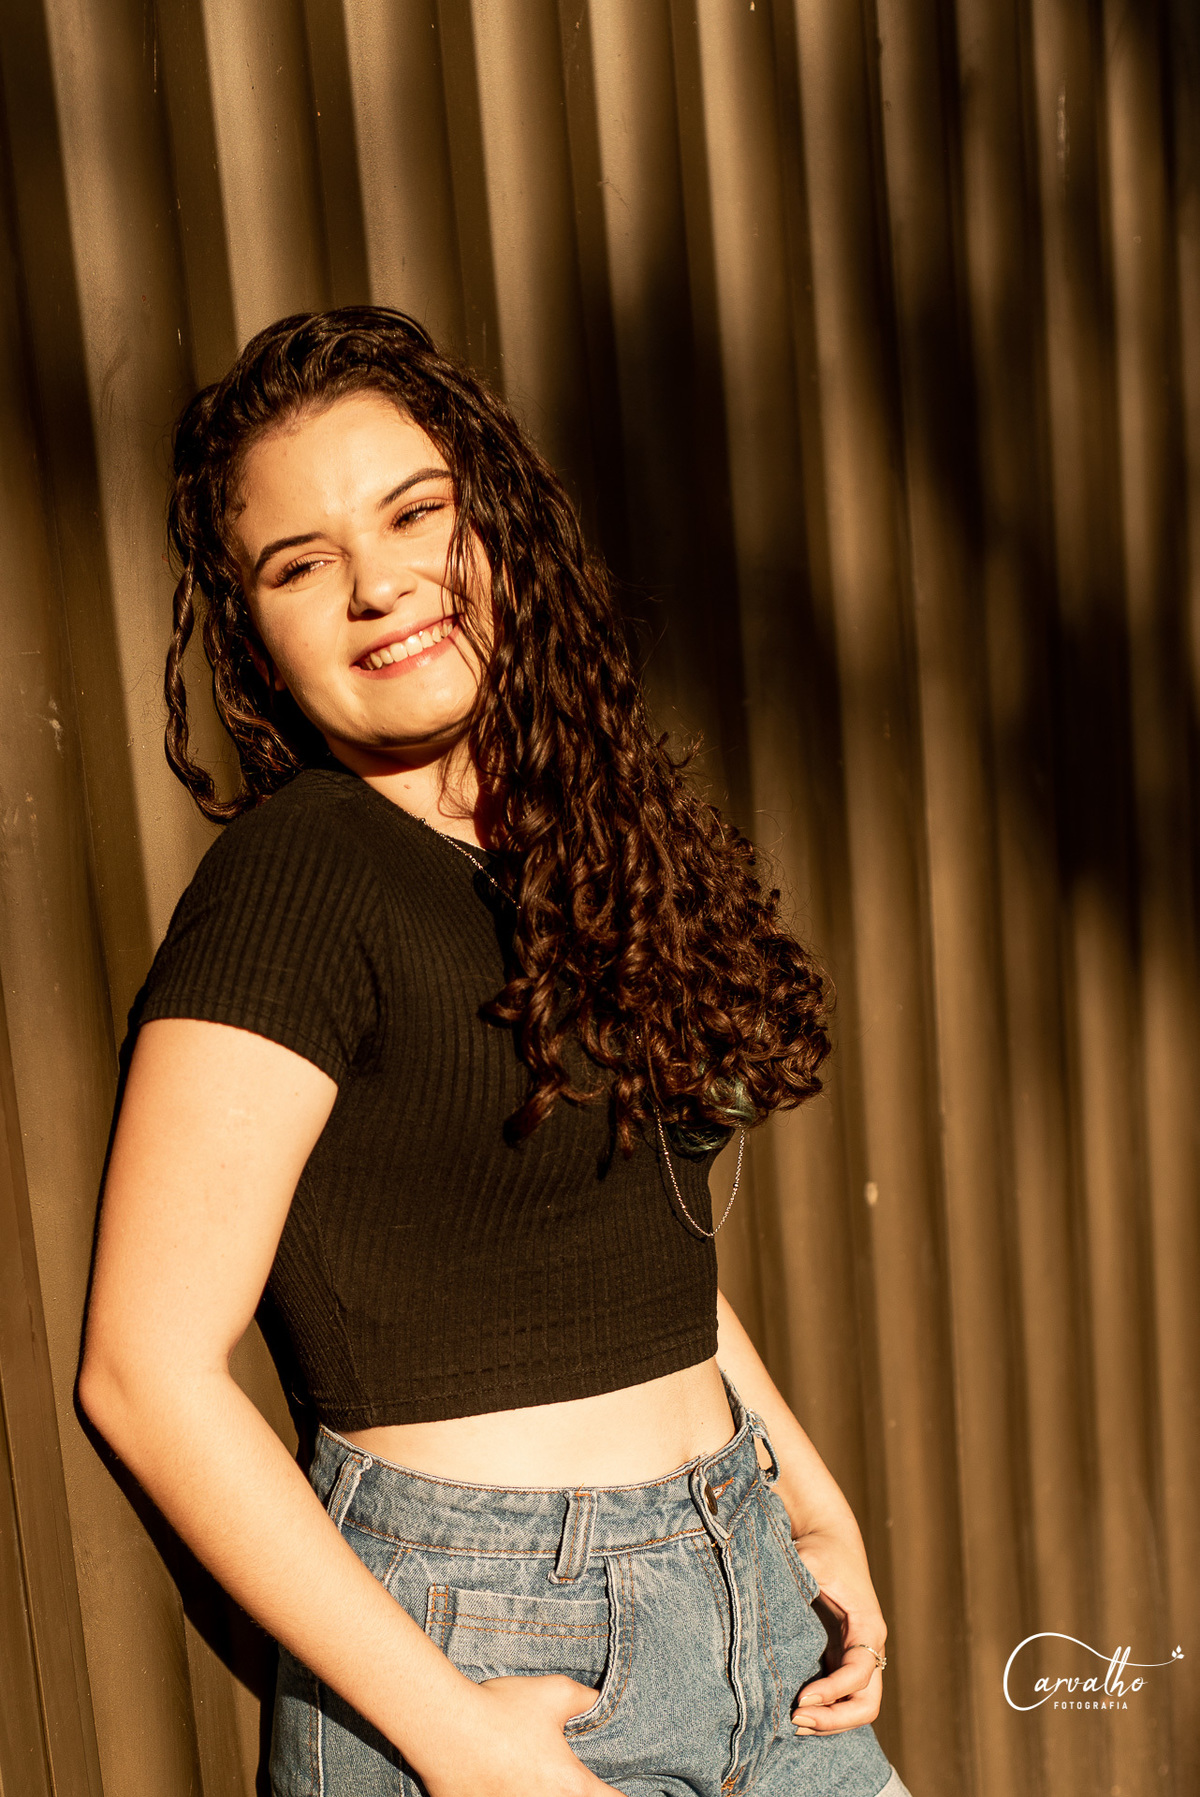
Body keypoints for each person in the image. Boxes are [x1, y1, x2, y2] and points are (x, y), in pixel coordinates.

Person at [79, 307, 909, 1797]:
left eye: (414, 514)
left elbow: (624, 1236)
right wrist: (458, 1742)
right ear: (253, 635)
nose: (378, 583)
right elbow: (144, 1370)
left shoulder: (568, 852)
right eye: (299, 564)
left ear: (501, 525)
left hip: (743, 1585)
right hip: (479, 1646)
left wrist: (804, 1496)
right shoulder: (301, 873)